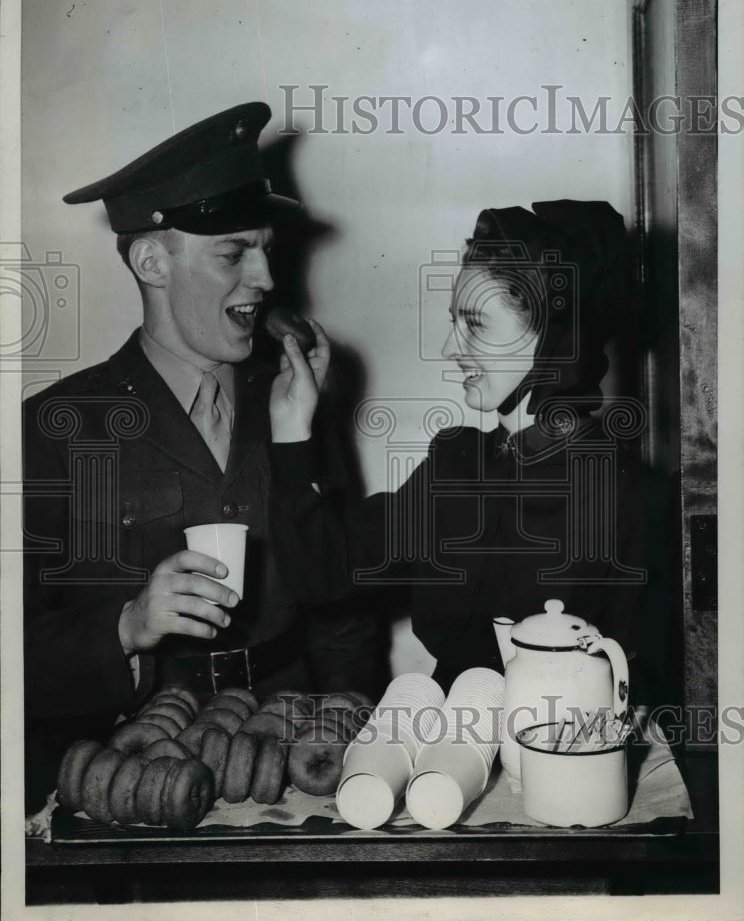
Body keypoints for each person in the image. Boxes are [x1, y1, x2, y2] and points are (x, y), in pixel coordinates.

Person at [23, 102, 378, 810]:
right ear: (152, 260)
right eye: (232, 252)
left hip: (289, 750)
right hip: (131, 756)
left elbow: (342, 607)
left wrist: (355, 730)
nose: (266, 278)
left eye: (267, 249)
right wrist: (128, 625)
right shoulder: (55, 428)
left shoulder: (296, 397)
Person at [268, 201, 677, 704]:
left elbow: (650, 687)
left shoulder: (632, 494)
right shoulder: (456, 462)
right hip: (451, 744)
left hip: (567, 753)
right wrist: (292, 428)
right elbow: (321, 574)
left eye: (476, 324)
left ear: (554, 338)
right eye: (454, 323)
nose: (449, 348)